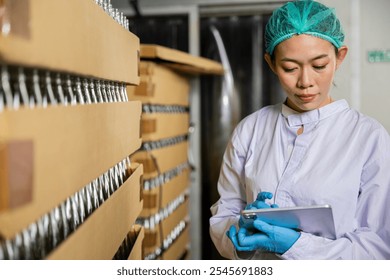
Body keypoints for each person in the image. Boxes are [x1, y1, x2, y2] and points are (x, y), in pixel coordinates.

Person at [209, 0, 390, 260]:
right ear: (271, 64)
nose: (305, 82)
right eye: (290, 68)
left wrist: (296, 246)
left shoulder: (369, 138)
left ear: (339, 57)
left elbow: (378, 248)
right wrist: (239, 235)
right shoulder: (250, 131)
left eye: (319, 66)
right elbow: (225, 213)